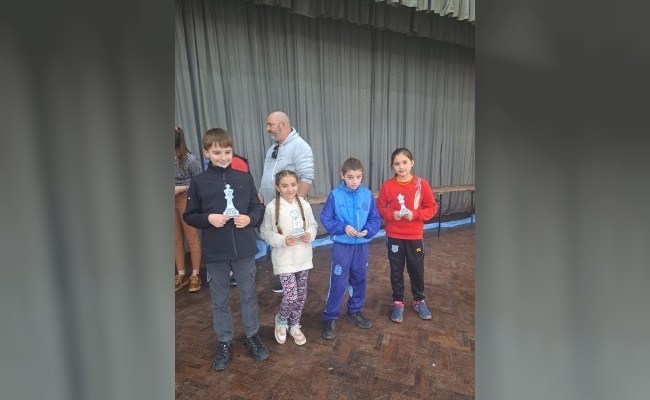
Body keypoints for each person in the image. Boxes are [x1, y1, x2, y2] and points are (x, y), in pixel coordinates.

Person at [183, 128, 268, 371]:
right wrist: (208, 218)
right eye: (217, 152)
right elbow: (190, 215)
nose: (223, 157)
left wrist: (250, 219)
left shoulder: (243, 178)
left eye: (227, 152)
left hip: (244, 249)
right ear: (206, 153)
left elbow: (256, 207)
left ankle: (252, 335)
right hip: (216, 251)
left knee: (248, 295)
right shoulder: (199, 182)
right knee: (219, 299)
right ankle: (224, 340)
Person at [319, 158, 382, 339]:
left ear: (363, 175)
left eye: (358, 177)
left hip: (361, 247)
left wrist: (368, 230)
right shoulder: (335, 195)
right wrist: (343, 227)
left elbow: (375, 219)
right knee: (338, 281)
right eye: (350, 177)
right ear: (342, 175)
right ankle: (330, 316)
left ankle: (354, 311)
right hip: (342, 246)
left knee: (359, 279)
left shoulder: (367, 195)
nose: (355, 181)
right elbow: (326, 218)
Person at [376, 148, 439, 323]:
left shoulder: (422, 184)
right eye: (397, 164)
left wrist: (416, 215)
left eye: (404, 162)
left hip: (415, 237)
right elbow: (380, 207)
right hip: (394, 236)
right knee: (396, 270)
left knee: (416, 270)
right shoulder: (388, 185)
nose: (401, 167)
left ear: (412, 163)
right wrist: (391, 214)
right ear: (392, 166)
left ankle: (419, 301)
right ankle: (398, 302)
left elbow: (432, 207)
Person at [259, 170, 318, 346]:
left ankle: (294, 324)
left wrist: (310, 234)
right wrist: (281, 240)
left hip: (303, 257)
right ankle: (282, 320)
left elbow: (313, 225)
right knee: (291, 296)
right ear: (277, 187)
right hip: (284, 259)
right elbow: (264, 232)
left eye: (293, 185)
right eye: (285, 186)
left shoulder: (304, 205)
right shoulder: (271, 208)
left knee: (301, 295)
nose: (290, 189)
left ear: (297, 184)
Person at [258, 111, 315, 293]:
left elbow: (306, 176)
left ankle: (295, 280)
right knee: (278, 242)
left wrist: (297, 204)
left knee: (292, 242)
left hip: (290, 208)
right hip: (272, 207)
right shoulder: (273, 148)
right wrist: (261, 191)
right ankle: (286, 278)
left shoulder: (300, 146)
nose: (267, 128)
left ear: (282, 125)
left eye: (270, 124)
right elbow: (267, 173)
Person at [175, 126, 203, 292]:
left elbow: (199, 181)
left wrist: (182, 188)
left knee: (192, 237)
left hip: (185, 199)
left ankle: (195, 274)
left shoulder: (189, 159)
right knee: (175, 239)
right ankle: (181, 274)